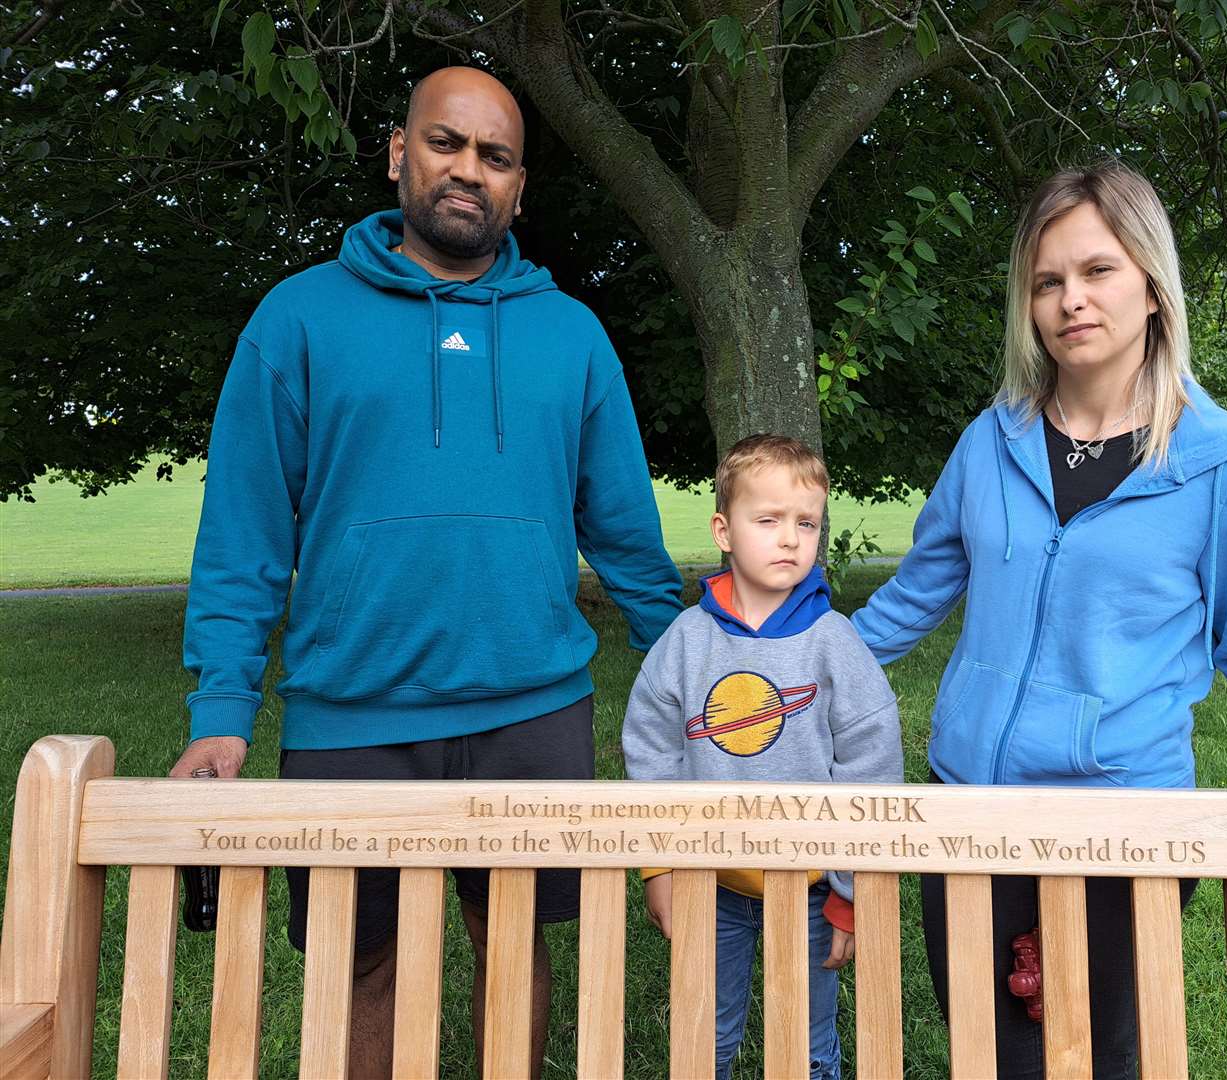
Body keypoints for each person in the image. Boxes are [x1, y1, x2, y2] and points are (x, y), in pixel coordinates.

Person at [849, 160, 1227, 1079]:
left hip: (1123, 831)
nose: (1071, 299)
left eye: (1097, 270)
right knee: (988, 1059)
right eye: (1048, 281)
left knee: (1097, 1060)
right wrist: (785, 662)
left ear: (1153, 286)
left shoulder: (1223, 464)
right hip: (963, 812)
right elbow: (908, 602)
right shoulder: (987, 442)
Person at [168, 66, 683, 1079]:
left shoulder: (571, 334)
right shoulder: (298, 319)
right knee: (364, 968)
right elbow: (244, 530)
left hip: (532, 707)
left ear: (519, 189)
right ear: (400, 153)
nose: (467, 171)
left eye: (495, 158)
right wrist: (222, 708)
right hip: (353, 709)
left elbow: (622, 528)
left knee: (513, 952)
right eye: (446, 144)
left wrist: (689, 663)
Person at [622, 435, 903, 1080]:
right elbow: (651, 752)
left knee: (808, 1044)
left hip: (808, 889)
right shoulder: (687, 640)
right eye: (768, 520)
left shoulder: (834, 643)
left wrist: (851, 894)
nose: (789, 539)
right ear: (723, 529)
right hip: (709, 883)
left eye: (805, 523)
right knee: (705, 1042)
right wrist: (659, 867)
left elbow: (872, 771)